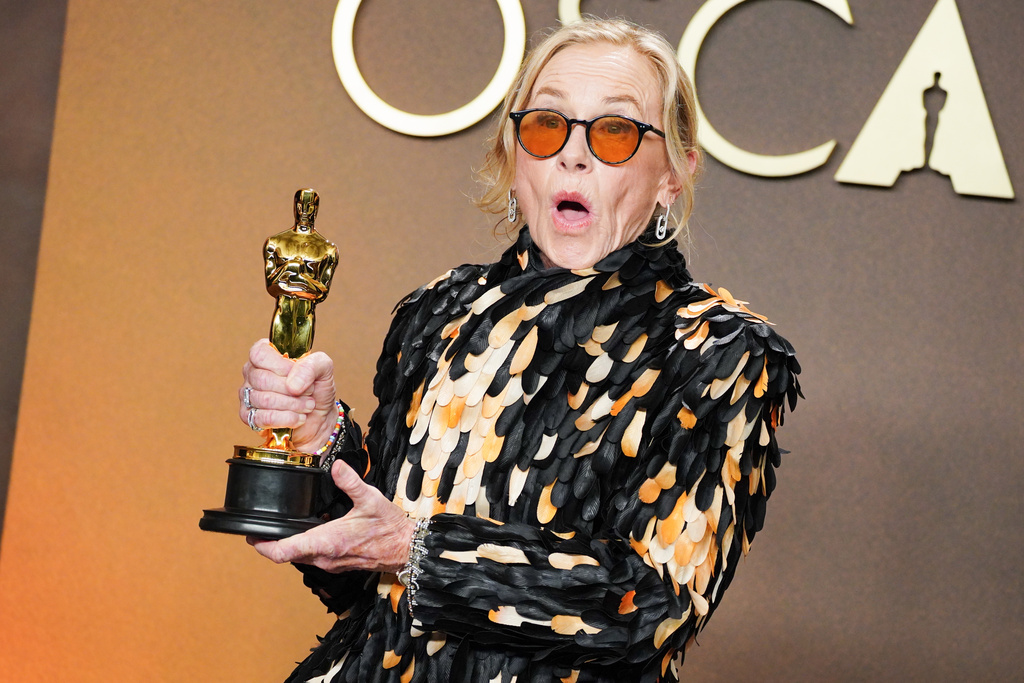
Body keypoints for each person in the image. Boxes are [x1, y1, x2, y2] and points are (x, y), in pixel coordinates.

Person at [238, 18, 800, 683]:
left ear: (673, 175)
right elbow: (361, 579)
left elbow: (650, 608)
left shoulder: (720, 350)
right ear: (513, 155)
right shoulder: (440, 310)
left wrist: (419, 550)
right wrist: (318, 437)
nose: (574, 155)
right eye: (546, 126)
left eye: (615, 131)